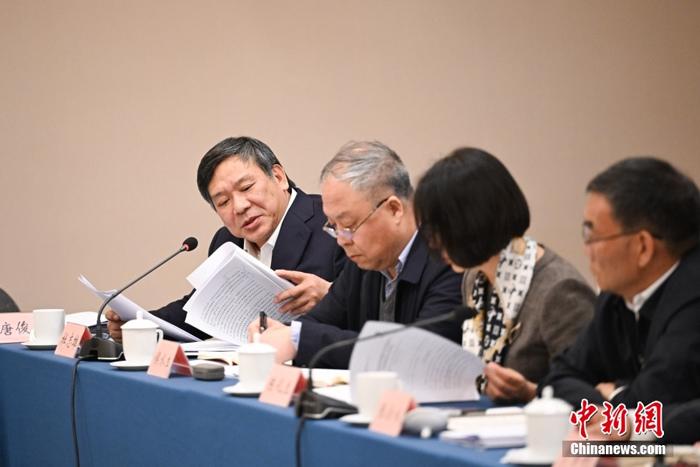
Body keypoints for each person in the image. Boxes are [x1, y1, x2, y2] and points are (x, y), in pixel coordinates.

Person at [247, 141, 463, 368]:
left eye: (349, 225)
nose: (341, 240)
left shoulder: (450, 259)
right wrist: (281, 331)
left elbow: (419, 352)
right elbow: (321, 320)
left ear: (394, 209)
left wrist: (299, 339)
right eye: (334, 226)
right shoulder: (364, 261)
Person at [107, 136, 345, 341]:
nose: (239, 207)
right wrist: (141, 323)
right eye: (223, 202)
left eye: (247, 187)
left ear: (278, 176)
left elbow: (365, 312)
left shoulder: (334, 223)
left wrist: (330, 295)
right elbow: (200, 311)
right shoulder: (226, 240)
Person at [413, 147, 595, 403]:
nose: (433, 242)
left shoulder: (560, 290)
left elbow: (589, 397)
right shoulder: (474, 278)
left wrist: (530, 393)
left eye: (441, 230)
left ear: (473, 223)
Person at [541, 157, 700, 442]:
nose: (586, 249)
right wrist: (614, 405)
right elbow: (558, 378)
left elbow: (651, 401)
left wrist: (614, 395)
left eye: (592, 235)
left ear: (643, 247)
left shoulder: (692, 295)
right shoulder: (616, 297)